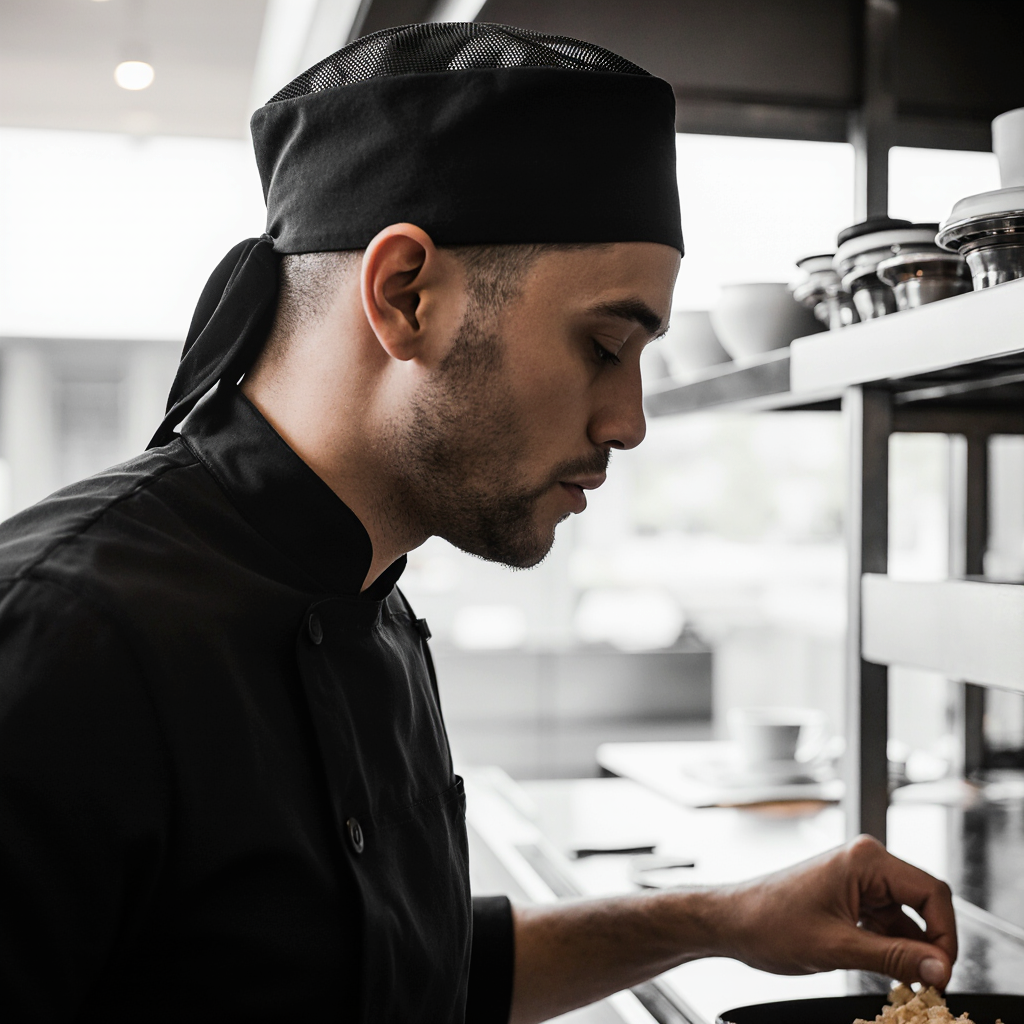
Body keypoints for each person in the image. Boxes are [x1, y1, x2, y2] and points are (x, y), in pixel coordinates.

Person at [0, 22, 955, 1024]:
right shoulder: (56, 643)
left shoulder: (377, 604)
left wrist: (720, 917)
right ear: (403, 294)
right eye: (603, 343)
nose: (629, 421)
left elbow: (412, 971)